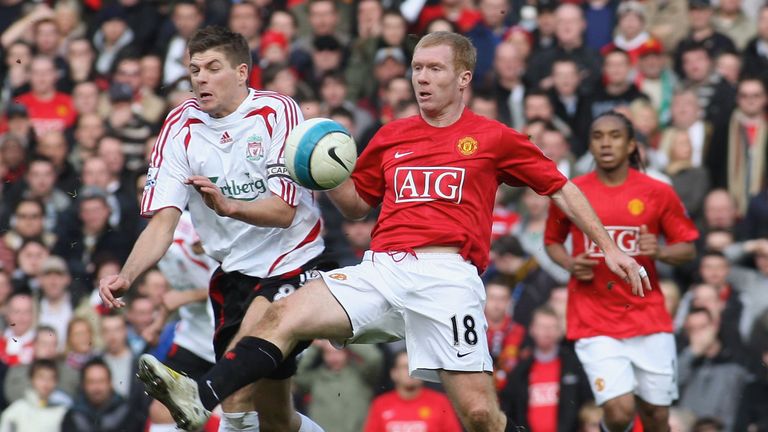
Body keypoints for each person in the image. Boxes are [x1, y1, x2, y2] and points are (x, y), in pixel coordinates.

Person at [130, 31, 648, 432]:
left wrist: (609, 249)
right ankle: (201, 397)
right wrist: (319, 171)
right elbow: (356, 206)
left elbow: (561, 188)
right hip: (381, 269)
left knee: (479, 418)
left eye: (435, 69)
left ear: (463, 78)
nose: (422, 78)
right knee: (282, 314)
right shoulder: (392, 136)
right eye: (417, 67)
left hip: (448, 276)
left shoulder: (493, 137)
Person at [98, 26, 326, 432]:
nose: (200, 77)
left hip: (290, 260)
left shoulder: (277, 112)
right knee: (274, 417)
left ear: (242, 72)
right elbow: (163, 220)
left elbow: (285, 211)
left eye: (212, 67)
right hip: (234, 274)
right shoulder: (180, 125)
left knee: (233, 392)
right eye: (194, 68)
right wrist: (128, 274)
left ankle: (198, 394)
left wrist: (229, 205)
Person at [544, 111, 699, 432]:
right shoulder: (571, 192)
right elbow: (551, 242)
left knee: (656, 417)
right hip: (593, 318)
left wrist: (661, 252)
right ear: (589, 144)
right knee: (618, 411)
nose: (605, 143)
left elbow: (688, 247)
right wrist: (570, 264)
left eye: (614, 136)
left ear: (631, 145)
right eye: (598, 137)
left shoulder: (658, 191)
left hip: (648, 317)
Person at [144, 211, 217, 432]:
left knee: (232, 413)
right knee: (161, 410)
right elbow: (176, 291)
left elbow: (230, 279)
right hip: (192, 339)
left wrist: (187, 297)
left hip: (226, 338)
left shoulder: (188, 225)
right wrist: (158, 324)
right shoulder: (152, 243)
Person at [364, 349, 462, 432]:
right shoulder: (380, 404)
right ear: (394, 373)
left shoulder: (441, 402)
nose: (410, 372)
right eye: (405, 367)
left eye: (414, 367)